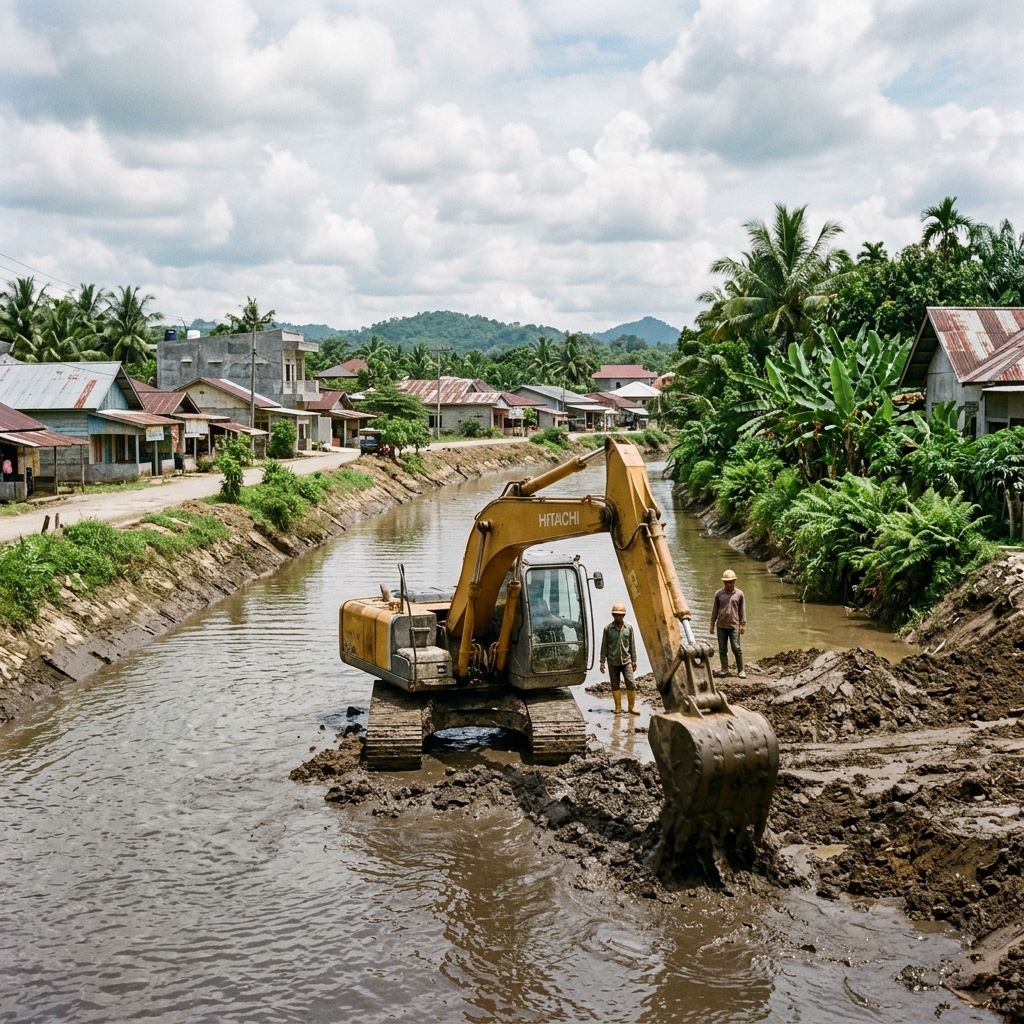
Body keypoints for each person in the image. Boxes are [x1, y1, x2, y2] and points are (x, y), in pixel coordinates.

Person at [600, 602, 639, 715]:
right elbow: (604, 646)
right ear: (613, 615)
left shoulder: (629, 628)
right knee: (615, 684)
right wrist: (602, 661)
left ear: (624, 616)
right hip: (612, 661)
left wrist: (634, 660)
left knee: (631, 682)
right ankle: (618, 707)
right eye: (616, 615)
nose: (618, 617)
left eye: (620, 615)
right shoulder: (607, 629)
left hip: (626, 660)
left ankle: (631, 707)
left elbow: (632, 645)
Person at [710, 569, 746, 678]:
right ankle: (724, 669)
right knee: (722, 649)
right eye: (727, 582)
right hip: (721, 626)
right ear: (724, 582)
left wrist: (742, 624)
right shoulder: (719, 594)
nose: (729, 584)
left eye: (731, 582)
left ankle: (741, 670)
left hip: (734, 626)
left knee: (736, 648)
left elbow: (742, 610)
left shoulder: (739, 594)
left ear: (734, 581)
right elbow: (715, 610)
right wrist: (712, 624)